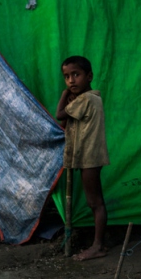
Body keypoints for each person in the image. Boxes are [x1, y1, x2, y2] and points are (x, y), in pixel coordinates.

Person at [55, 56, 109, 261]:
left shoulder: (87, 99)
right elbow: (67, 123)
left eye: (75, 75)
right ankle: (98, 244)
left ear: (89, 76)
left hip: (89, 157)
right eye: (66, 77)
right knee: (94, 201)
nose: (71, 81)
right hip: (87, 155)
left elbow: (60, 114)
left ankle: (98, 246)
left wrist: (64, 94)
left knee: (95, 202)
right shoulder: (85, 100)